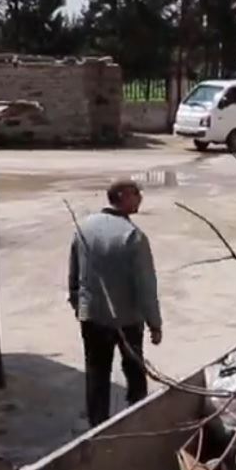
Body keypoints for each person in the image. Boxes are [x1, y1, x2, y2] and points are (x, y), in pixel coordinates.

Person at [69, 177, 163, 427]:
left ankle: (97, 425)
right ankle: (138, 416)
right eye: (136, 193)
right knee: (134, 369)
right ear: (122, 196)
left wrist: (79, 305)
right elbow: (145, 286)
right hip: (127, 319)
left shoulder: (83, 227)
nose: (140, 198)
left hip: (92, 316)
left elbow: (74, 273)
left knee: (96, 372)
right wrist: (155, 323)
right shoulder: (133, 236)